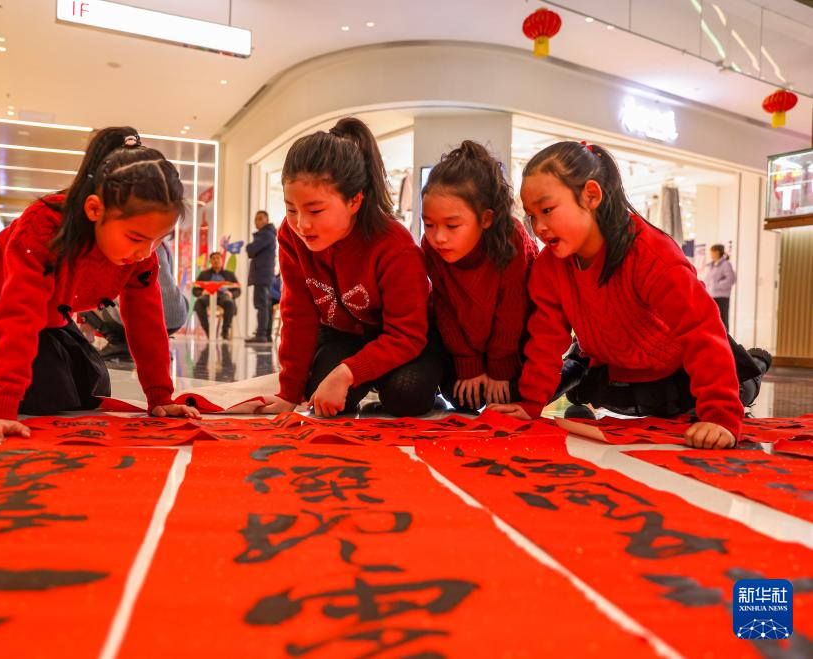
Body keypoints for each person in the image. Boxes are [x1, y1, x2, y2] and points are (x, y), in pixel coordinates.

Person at [0, 127, 200, 441]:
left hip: (46, 318)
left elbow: (147, 323)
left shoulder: (140, 256)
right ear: (95, 210)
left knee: (86, 389)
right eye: (136, 238)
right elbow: (19, 314)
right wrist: (1, 409)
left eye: (158, 241)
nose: (146, 253)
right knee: (38, 397)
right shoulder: (43, 227)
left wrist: (160, 397)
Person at [488, 141, 769, 449]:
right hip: (623, 365)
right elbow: (545, 339)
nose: (538, 227)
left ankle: (756, 364)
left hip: (681, 366)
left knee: (739, 388)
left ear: (591, 196)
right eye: (531, 215)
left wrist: (720, 415)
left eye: (547, 210)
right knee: (602, 394)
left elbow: (700, 329)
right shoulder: (549, 266)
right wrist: (530, 403)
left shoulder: (650, 253)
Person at [255, 116, 440, 418]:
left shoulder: (394, 244)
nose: (302, 224)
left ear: (354, 202)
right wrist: (289, 392)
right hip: (342, 336)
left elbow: (408, 334)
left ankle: (392, 379)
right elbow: (297, 313)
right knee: (321, 397)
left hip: (403, 340)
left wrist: (348, 373)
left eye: (316, 210)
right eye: (291, 209)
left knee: (407, 395)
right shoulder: (291, 236)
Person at [421, 141, 538, 412]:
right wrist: (469, 365)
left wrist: (499, 368)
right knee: (462, 398)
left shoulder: (511, 238)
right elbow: (444, 309)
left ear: (486, 219)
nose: (438, 237)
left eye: (452, 225)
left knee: (509, 397)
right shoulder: (431, 248)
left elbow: (512, 310)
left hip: (514, 346)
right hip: (466, 344)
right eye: (429, 224)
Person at [79, 236, 190, 360]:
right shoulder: (163, 244)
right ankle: (154, 346)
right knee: (170, 297)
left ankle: (119, 343)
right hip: (175, 320)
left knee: (83, 297)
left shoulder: (121, 239)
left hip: (134, 318)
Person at [245, 210, 278, 343]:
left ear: (267, 220)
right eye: (256, 219)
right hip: (265, 276)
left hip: (262, 276)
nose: (257, 221)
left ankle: (261, 335)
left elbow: (251, 249)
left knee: (261, 305)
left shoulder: (266, 234)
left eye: (260, 218)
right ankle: (266, 335)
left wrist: (249, 246)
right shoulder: (269, 235)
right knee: (266, 305)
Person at [193, 251, 240, 338]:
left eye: (218, 258)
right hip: (208, 295)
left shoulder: (230, 274)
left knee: (230, 303)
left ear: (222, 260)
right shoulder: (203, 274)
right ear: (210, 261)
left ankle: (225, 332)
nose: (216, 260)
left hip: (224, 295)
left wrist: (231, 294)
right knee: (199, 302)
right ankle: (208, 332)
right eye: (213, 258)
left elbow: (238, 290)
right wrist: (202, 292)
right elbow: (195, 290)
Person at [703, 243, 735, 328]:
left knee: (723, 320)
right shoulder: (712, 266)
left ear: (717, 252)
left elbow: (731, 279)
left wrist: (716, 285)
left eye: (712, 252)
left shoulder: (725, 264)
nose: (711, 254)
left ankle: (725, 336)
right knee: (714, 320)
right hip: (712, 296)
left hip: (721, 297)